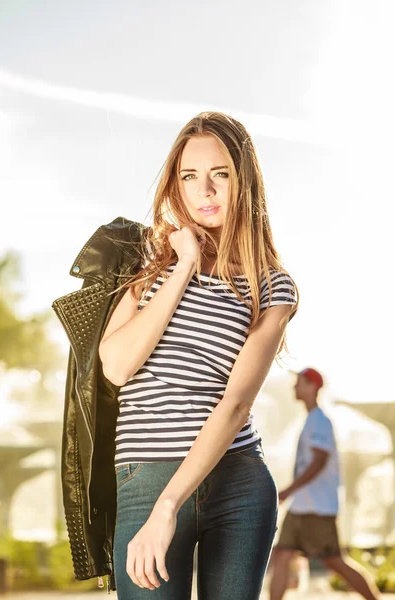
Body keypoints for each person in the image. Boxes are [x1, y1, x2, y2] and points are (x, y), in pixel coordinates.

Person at [95, 112, 299, 599]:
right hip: (147, 472)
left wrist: (170, 507)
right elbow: (118, 366)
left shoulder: (272, 286)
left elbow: (235, 406)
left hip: (237, 479)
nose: (204, 191)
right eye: (190, 176)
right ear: (176, 184)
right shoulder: (146, 258)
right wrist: (184, 264)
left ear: (244, 181)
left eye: (220, 174)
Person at [269, 367, 380, 600]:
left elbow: (319, 462)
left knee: (335, 561)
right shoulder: (310, 419)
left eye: (298, 382)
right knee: (281, 554)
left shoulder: (319, 421)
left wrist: (289, 489)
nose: (293, 387)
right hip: (302, 506)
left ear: (312, 386)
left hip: (317, 508)